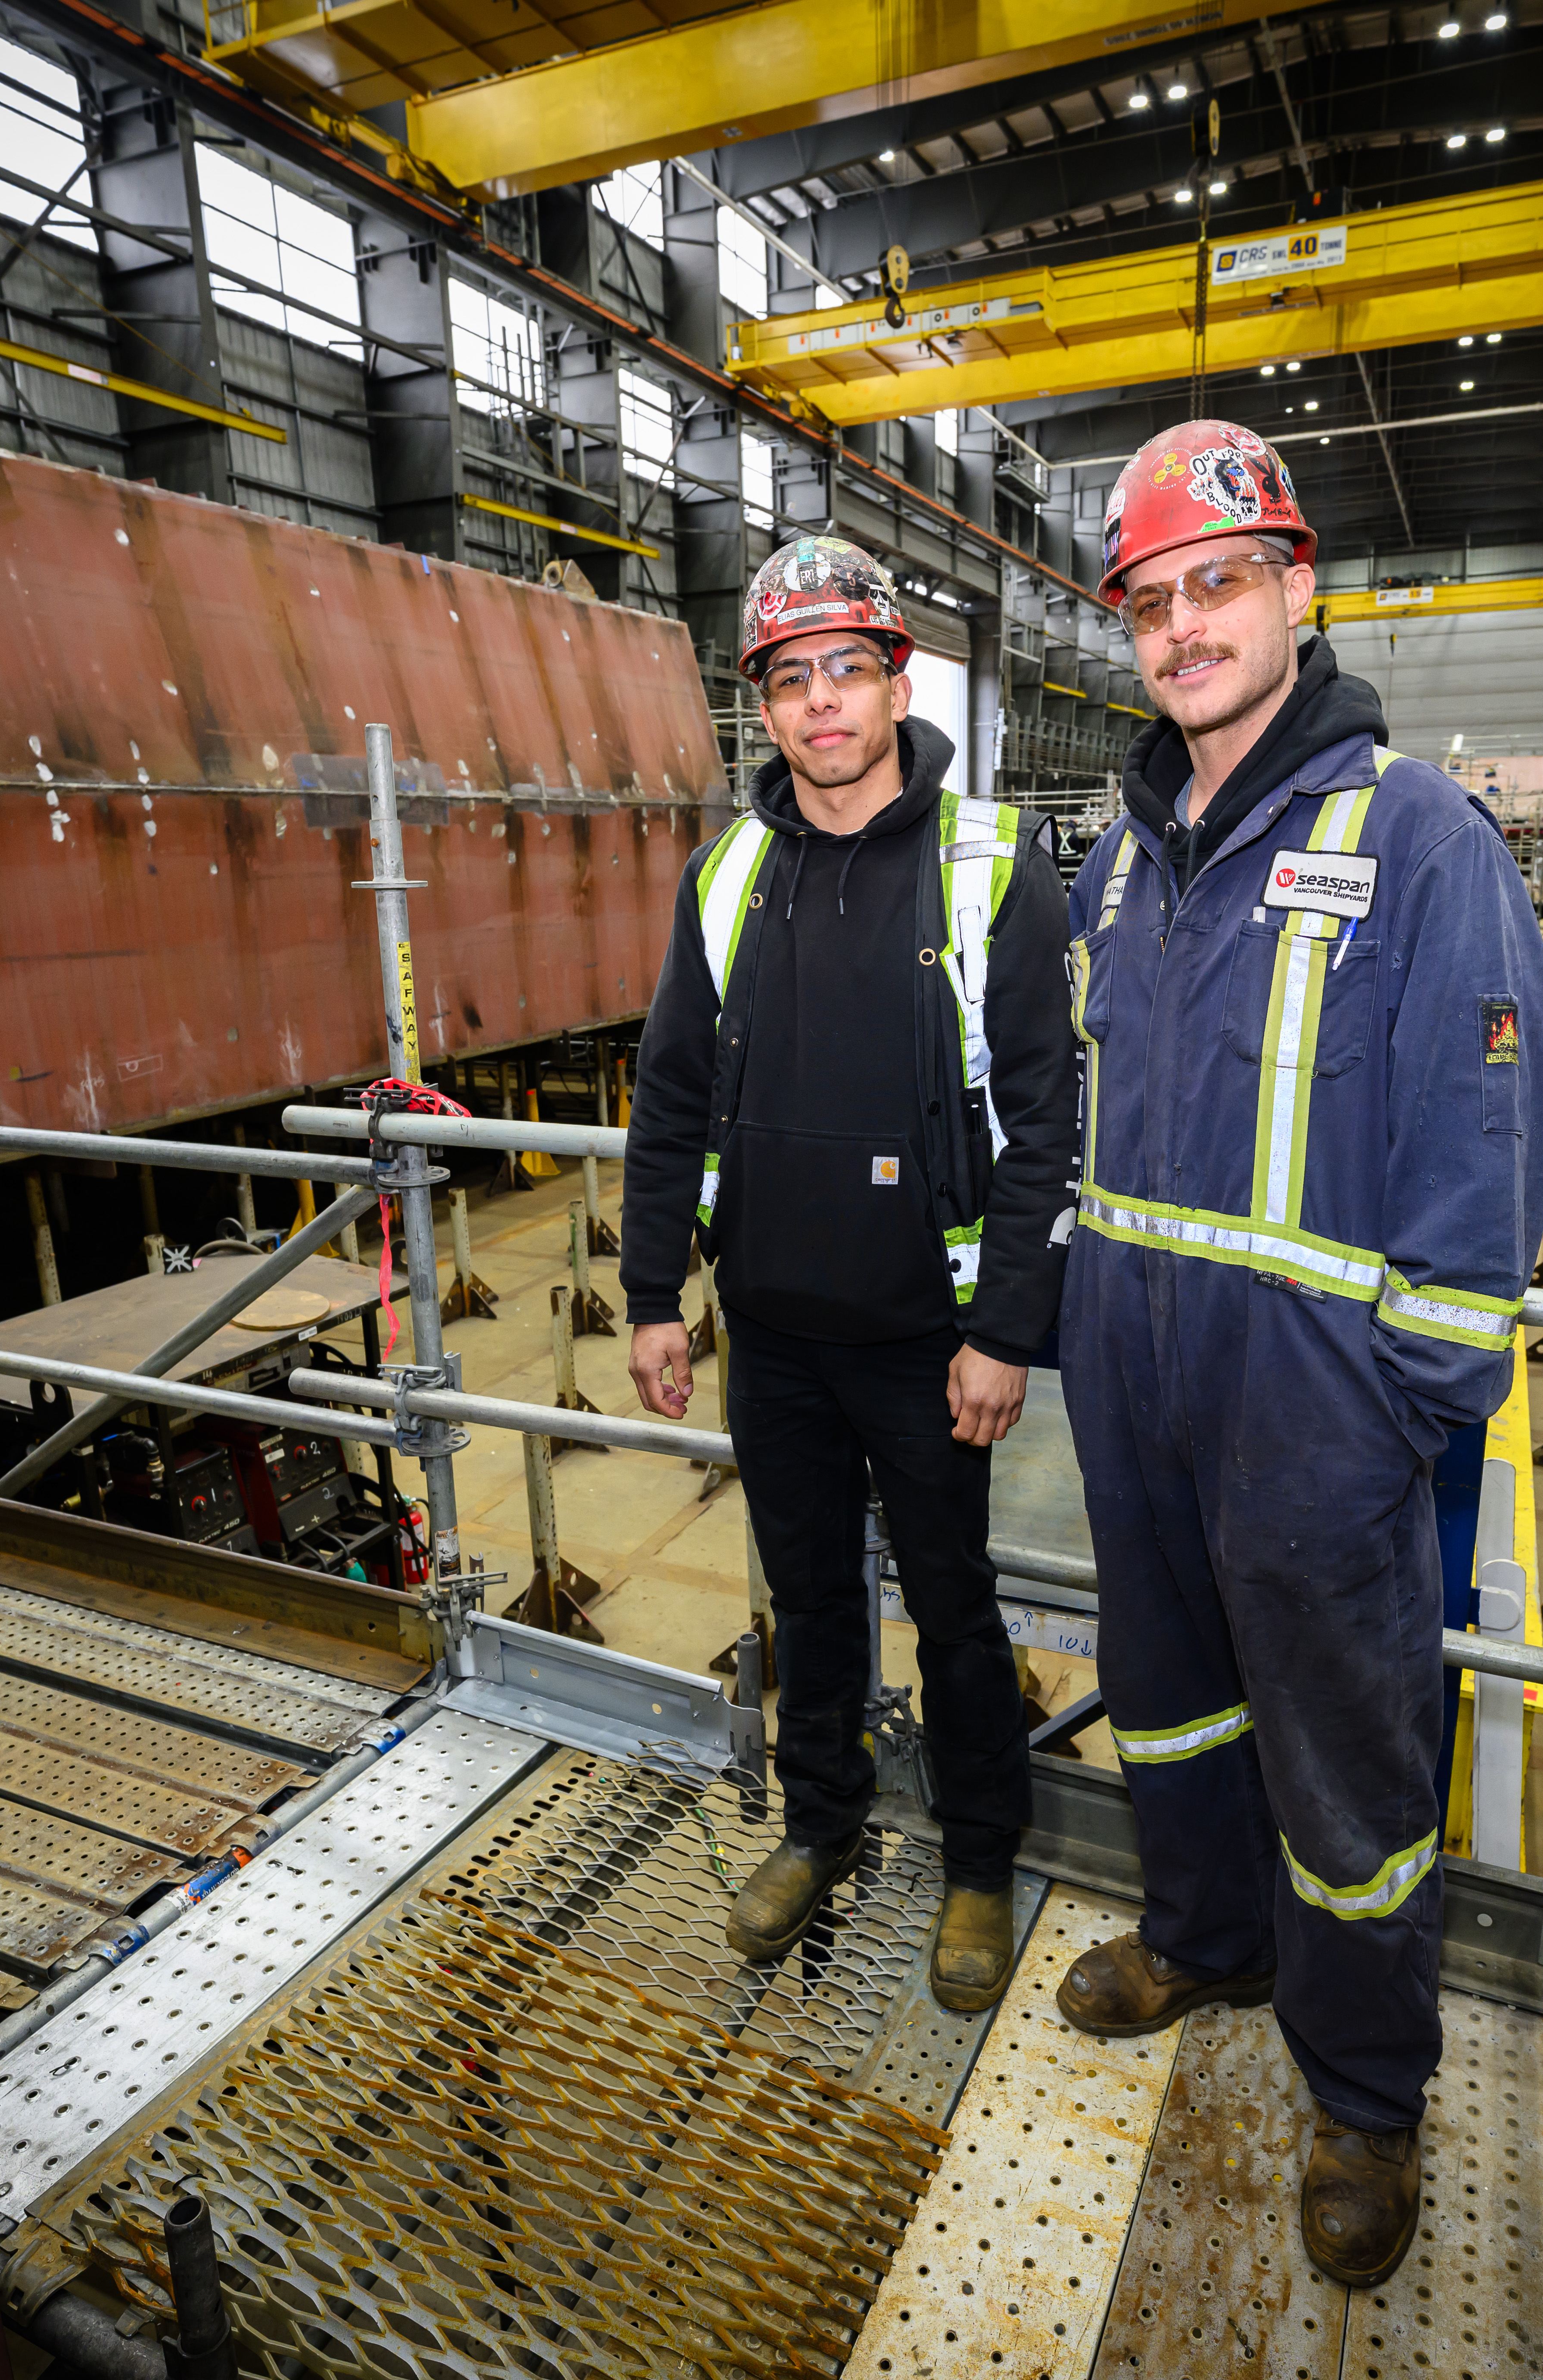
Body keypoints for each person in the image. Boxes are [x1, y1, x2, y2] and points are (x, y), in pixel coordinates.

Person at [1048, 423, 1543, 2286]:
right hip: (1140, 1393)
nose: (1184, 627)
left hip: (1317, 1422)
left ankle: (1364, 2089)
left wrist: (1393, 1408)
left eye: (1220, 584)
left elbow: (1483, 1155)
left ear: (1297, 587)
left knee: (1353, 1772)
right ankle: (1205, 1937)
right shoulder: (1125, 856)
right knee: (1170, 1698)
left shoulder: (1416, 840)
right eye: (1155, 600)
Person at [621, 534, 1077, 2013]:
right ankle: (820, 1829)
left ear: (896, 683)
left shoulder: (991, 865)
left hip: (924, 1344)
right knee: (810, 1597)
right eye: (792, 680)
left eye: (849, 672)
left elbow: (1044, 1119)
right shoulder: (728, 876)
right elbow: (672, 1095)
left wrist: (1003, 1326)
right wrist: (649, 1295)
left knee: (953, 1604)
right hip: (775, 1333)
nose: (823, 705)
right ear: (763, 703)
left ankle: (980, 1863)